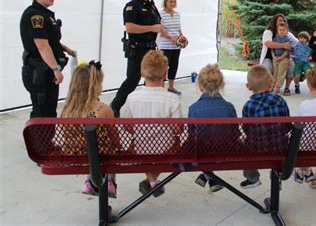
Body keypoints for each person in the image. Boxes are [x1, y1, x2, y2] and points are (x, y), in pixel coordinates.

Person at [121, 50, 182, 198]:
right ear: (165, 74)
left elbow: (127, 126)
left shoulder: (132, 97)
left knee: (141, 145)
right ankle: (153, 181)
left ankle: (152, 180)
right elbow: (177, 130)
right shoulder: (172, 99)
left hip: (141, 149)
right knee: (176, 143)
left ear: (142, 72)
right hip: (165, 149)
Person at [59, 61, 119, 198]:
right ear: (94, 86)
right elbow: (115, 139)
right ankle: (110, 182)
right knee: (106, 148)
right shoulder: (103, 110)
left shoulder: (67, 110)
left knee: (87, 145)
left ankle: (89, 182)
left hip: (75, 155)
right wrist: (119, 146)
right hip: (104, 157)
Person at [110, 0, 169, 117]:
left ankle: (155, 109)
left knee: (155, 78)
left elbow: (157, 23)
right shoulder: (132, 6)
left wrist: (161, 30)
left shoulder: (151, 5)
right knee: (132, 80)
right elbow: (129, 28)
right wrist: (152, 27)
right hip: (137, 49)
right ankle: (115, 106)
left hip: (151, 48)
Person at [20, 0, 76, 118]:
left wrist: (65, 48)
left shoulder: (45, 14)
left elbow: (49, 40)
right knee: (43, 111)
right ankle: (40, 139)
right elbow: (42, 46)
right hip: (40, 72)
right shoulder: (36, 16)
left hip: (45, 71)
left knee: (49, 109)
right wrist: (56, 69)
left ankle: (45, 139)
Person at [190, 64, 239, 193]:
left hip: (201, 153)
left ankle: (207, 175)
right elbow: (236, 133)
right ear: (222, 85)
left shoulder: (193, 109)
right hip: (227, 151)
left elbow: (192, 136)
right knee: (214, 142)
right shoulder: (229, 107)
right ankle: (210, 178)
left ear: (200, 86)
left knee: (199, 144)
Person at [241, 65, 290, 189]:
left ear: (248, 87)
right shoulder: (280, 100)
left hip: (257, 149)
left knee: (245, 146)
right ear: (271, 83)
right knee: (278, 140)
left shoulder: (249, 106)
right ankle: (278, 173)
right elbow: (287, 125)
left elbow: (246, 130)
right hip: (280, 147)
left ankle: (252, 178)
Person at [259, 14, 298, 96]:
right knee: (267, 68)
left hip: (284, 56)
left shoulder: (286, 33)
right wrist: (283, 45)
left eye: (284, 20)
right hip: (269, 57)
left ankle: (286, 87)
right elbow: (268, 43)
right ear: (275, 21)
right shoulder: (268, 32)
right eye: (280, 20)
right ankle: (268, 87)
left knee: (291, 65)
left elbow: (296, 42)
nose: (282, 22)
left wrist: (291, 47)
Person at [159, 0, 184, 95]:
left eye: (174, 1)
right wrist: (171, 38)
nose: (173, 3)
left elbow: (179, 29)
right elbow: (161, 30)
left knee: (174, 66)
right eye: (170, 1)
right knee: (164, 67)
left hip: (176, 46)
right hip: (165, 46)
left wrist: (182, 40)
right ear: (166, 2)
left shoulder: (177, 14)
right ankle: (160, 88)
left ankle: (171, 87)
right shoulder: (161, 14)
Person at [272, 23, 292, 94]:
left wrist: (281, 57)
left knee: (281, 74)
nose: (281, 31)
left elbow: (287, 51)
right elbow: (273, 49)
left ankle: (277, 87)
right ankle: (273, 85)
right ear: (277, 30)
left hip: (284, 58)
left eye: (283, 30)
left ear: (287, 31)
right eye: (280, 30)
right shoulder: (275, 38)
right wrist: (274, 57)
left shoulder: (288, 39)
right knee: (275, 73)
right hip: (276, 58)